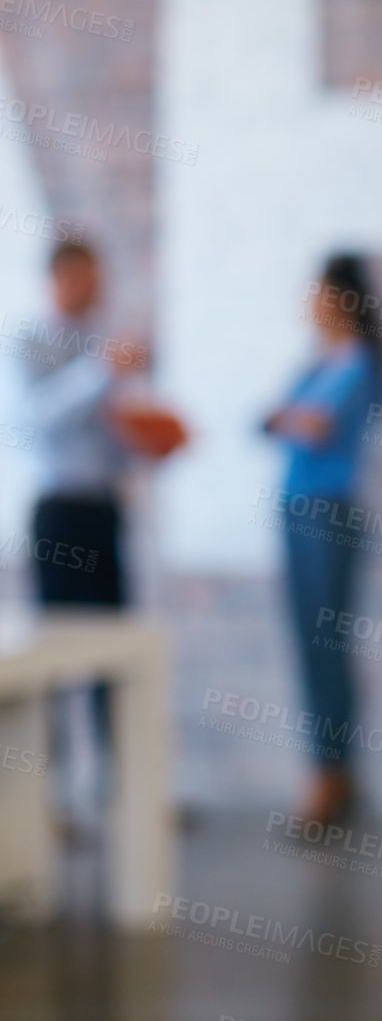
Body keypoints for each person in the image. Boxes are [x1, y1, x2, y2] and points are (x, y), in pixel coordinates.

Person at [21, 238, 183, 827]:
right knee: (53, 656)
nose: (96, 292)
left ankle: (123, 797)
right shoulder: (31, 341)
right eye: (86, 280)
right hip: (57, 513)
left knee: (114, 650)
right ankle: (49, 800)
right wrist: (100, 371)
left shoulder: (104, 346)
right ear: (60, 279)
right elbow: (36, 416)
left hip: (103, 513)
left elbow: (115, 434)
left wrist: (152, 441)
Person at [263, 253, 382, 827]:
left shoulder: (355, 361)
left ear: (342, 299)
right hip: (297, 510)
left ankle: (329, 775)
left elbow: (306, 424)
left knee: (326, 647)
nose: (309, 304)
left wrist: (287, 417)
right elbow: (273, 419)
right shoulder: (319, 364)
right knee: (313, 647)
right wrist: (287, 417)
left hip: (327, 516)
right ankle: (335, 771)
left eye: (318, 293)